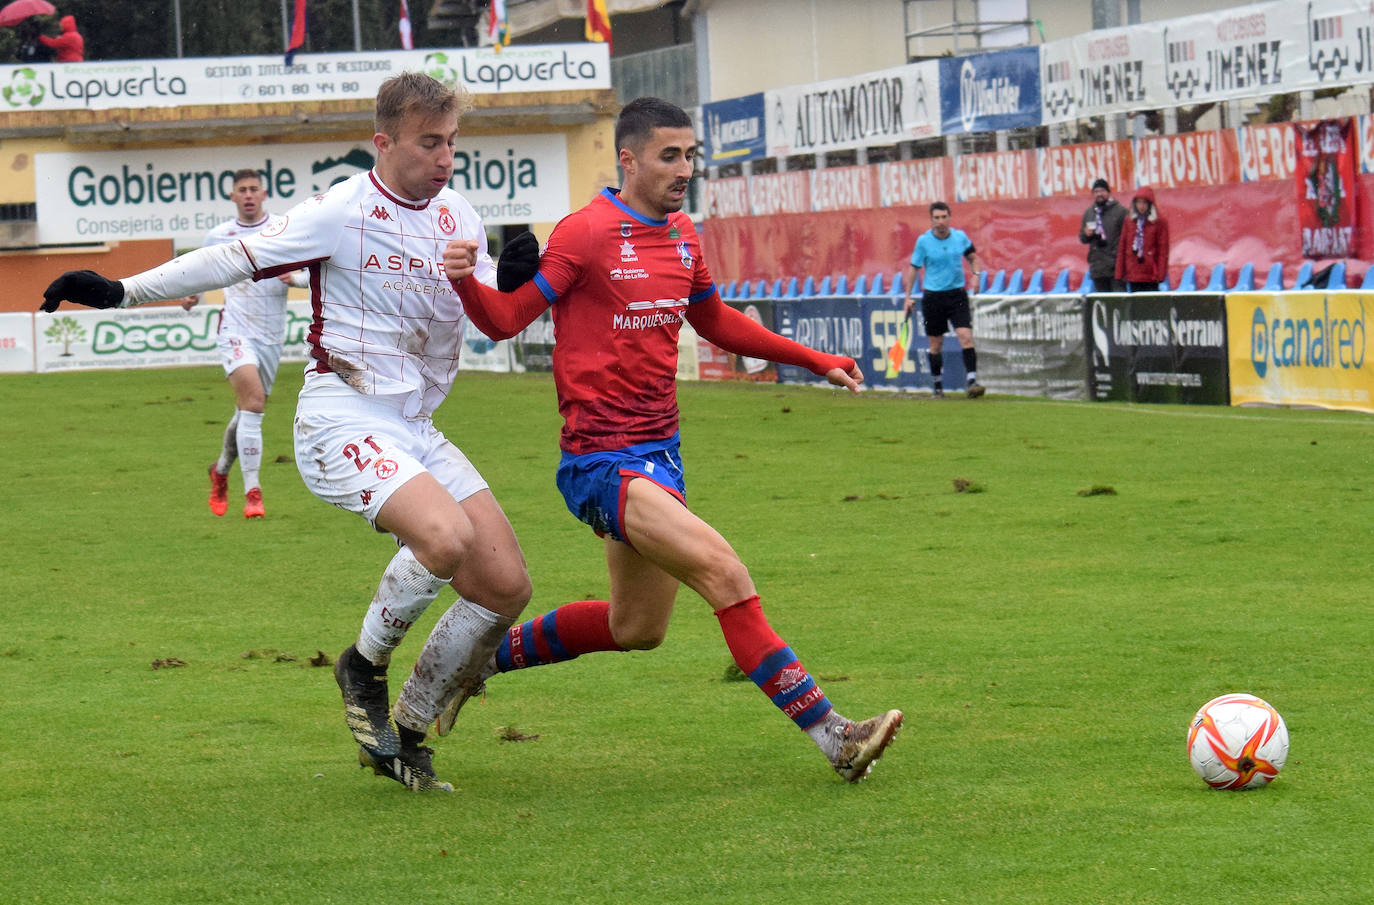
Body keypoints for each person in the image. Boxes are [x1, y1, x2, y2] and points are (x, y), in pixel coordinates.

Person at [40, 72, 543, 793]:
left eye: (452, 142)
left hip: (416, 425)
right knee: (445, 538)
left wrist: (516, 277)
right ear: (384, 141)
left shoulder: (456, 213)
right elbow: (232, 256)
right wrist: (122, 291)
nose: (445, 157)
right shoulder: (342, 209)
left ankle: (403, 734)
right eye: (429, 142)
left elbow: (493, 296)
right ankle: (361, 669)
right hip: (340, 416)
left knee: (505, 586)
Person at [431, 96, 903, 784]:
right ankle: (835, 734)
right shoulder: (584, 233)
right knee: (726, 573)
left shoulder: (682, 233)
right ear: (628, 159)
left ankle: (479, 657)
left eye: (691, 155)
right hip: (601, 461)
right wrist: (466, 281)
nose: (685, 168)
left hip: (660, 454)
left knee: (637, 628)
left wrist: (811, 359)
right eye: (669, 155)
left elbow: (713, 320)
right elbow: (506, 321)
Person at [188, 168, 308, 520]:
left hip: (271, 334)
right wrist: (191, 294)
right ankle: (253, 493)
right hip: (235, 330)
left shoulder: (283, 230)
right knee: (254, 403)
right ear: (233, 196)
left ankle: (221, 469)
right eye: (242, 189)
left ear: (264, 193)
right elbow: (197, 271)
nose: (249, 194)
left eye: (254, 188)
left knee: (247, 410)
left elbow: (310, 272)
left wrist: (296, 277)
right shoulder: (218, 236)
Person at [901, 201, 985, 398]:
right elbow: (914, 268)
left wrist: (976, 275)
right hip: (933, 297)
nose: (940, 221)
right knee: (935, 344)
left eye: (944, 217)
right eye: (936, 218)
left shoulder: (960, 237)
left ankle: (972, 382)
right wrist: (908, 297)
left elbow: (973, 257)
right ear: (931, 220)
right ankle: (938, 387)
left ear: (949, 217)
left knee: (966, 336)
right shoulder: (923, 242)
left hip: (957, 295)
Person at [1115, 185, 1170, 293]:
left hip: (1150, 273)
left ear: (1150, 205)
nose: (1141, 206)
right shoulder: (1129, 220)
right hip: (1133, 272)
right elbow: (1122, 246)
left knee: (1150, 304)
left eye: (1145, 203)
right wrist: (1119, 272)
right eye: (1139, 202)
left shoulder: (1159, 222)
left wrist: (1161, 274)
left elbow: (1163, 250)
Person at [1079, 178, 1126, 292]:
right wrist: (1086, 234)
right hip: (1097, 266)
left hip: (1115, 266)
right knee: (1103, 303)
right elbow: (1082, 238)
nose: (1099, 194)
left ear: (1108, 193)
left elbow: (1127, 237)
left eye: (1102, 191)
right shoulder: (1089, 213)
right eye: (1096, 192)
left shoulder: (1120, 211)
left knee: (1117, 302)